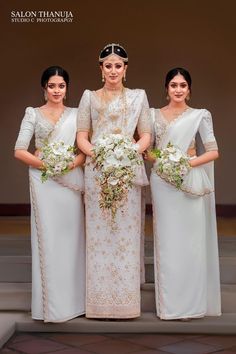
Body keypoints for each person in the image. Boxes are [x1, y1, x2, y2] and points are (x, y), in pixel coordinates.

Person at [77, 43, 151, 319]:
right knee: (99, 236)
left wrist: (128, 152)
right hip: (97, 171)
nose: (113, 70)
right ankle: (98, 304)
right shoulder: (89, 97)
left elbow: (145, 135)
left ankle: (125, 303)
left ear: (125, 68)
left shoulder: (138, 97)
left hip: (127, 172)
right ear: (100, 69)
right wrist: (101, 154)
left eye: (118, 66)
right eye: (107, 65)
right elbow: (82, 135)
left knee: (124, 235)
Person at [149, 67, 221, 320]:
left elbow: (213, 151)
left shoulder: (200, 115)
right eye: (173, 85)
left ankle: (192, 305)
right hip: (162, 182)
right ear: (166, 89)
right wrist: (161, 160)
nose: (178, 89)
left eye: (182, 85)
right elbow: (148, 151)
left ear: (189, 90)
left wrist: (184, 163)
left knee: (190, 244)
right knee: (168, 242)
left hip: (188, 181)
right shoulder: (152, 116)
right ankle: (170, 307)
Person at [14, 66, 86, 322]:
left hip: (70, 181)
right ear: (44, 88)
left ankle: (75, 303)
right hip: (43, 181)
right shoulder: (32, 114)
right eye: (52, 86)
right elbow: (20, 150)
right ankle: (51, 308)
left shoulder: (77, 114)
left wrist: (68, 165)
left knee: (72, 239)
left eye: (61, 86)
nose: (57, 90)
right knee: (48, 240)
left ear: (67, 88)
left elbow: (83, 151)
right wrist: (48, 165)